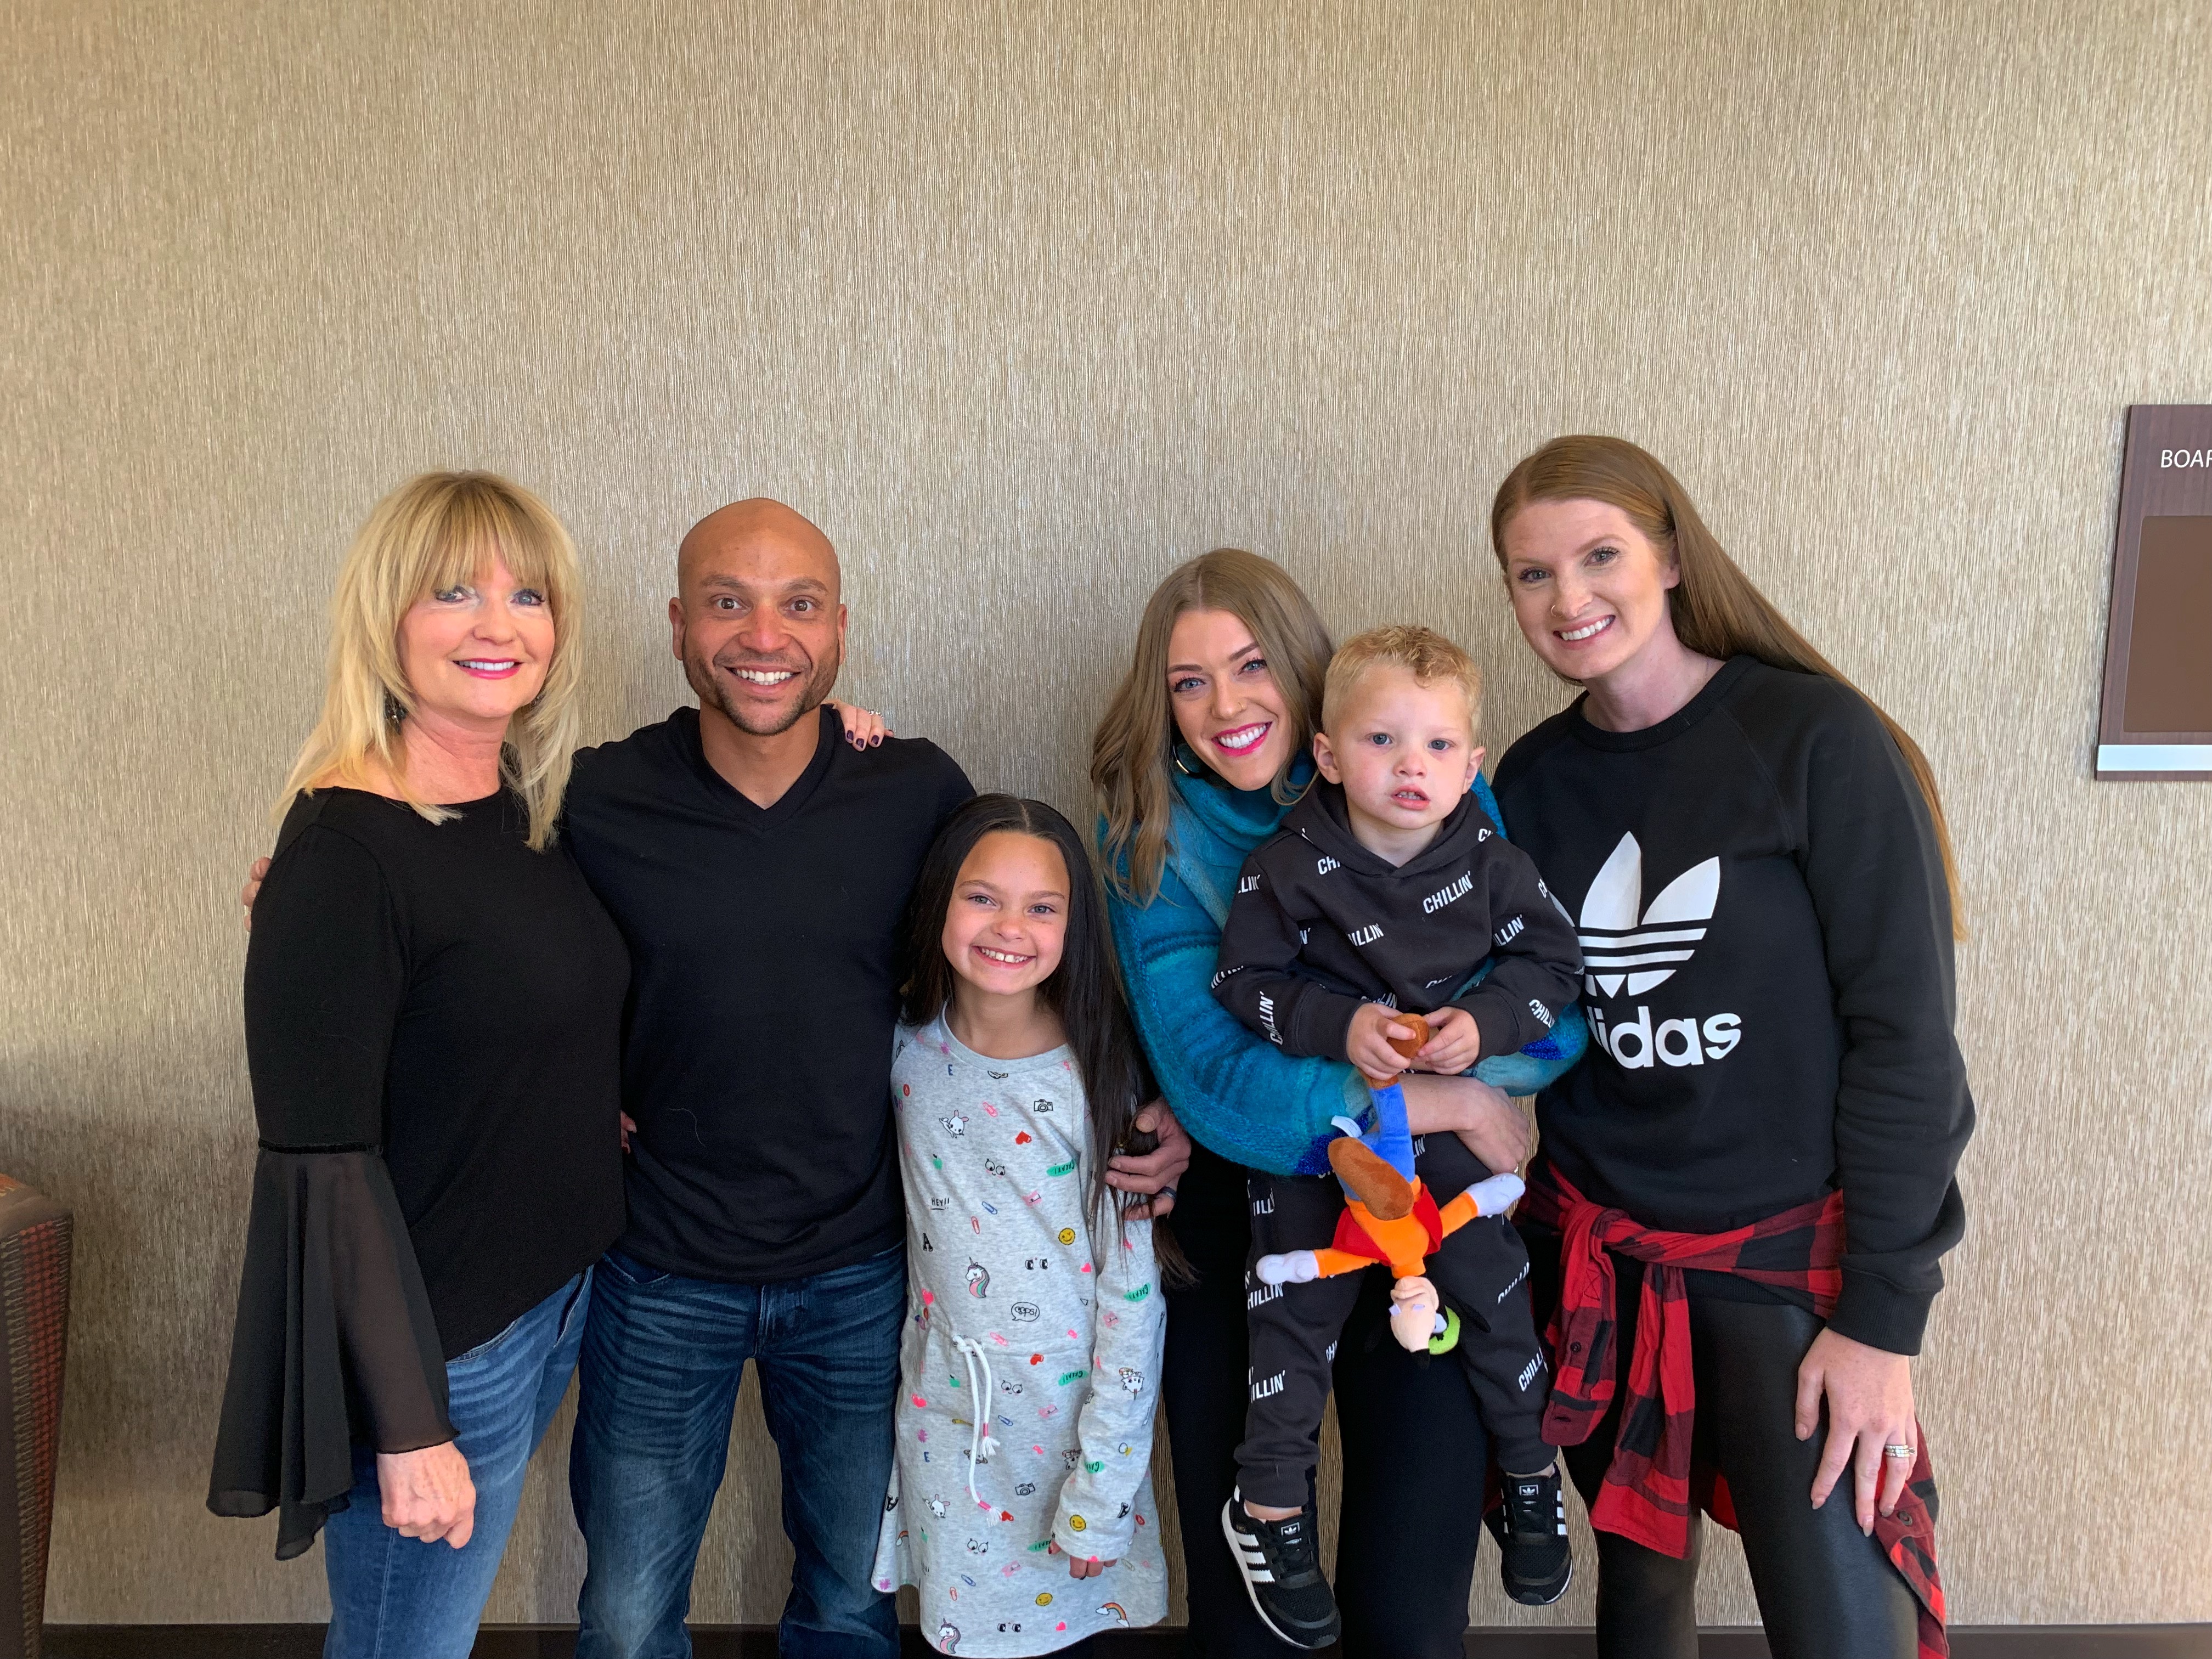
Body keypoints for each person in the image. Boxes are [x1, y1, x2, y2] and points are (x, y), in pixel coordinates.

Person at [553, 500, 1191, 1659]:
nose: (765, 635)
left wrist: (1142, 1099)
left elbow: (1017, 948)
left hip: (863, 1276)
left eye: (798, 605)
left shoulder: (912, 788)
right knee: (628, 1611)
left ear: (839, 630)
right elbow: (494, 932)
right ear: (679, 625)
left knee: (852, 1600)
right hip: (660, 1267)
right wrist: (322, 876)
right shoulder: (598, 795)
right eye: (728, 603)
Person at [1487, 436, 1969, 1659]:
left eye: (1600, 556)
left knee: (1844, 1630)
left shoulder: (1814, 738)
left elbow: (1908, 1044)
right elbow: (1486, 998)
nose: (1568, 597)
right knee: (1643, 1602)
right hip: (1599, 1252)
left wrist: (1883, 1322)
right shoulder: (1529, 782)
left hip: (1789, 1273)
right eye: (1533, 574)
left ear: (1670, 557)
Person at [1090, 550, 1587, 1659]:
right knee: (1253, 1632)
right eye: (1188, 682)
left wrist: (1465, 1076)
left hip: (1428, 1217)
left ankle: (1529, 1476)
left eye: (1252, 666)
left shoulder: (1419, 769)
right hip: (1253, 1212)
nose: (1226, 705)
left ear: (1304, 677)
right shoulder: (1150, 839)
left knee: (1412, 1613)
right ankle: (1266, 1525)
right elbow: (1214, 1081)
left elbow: (1553, 1022)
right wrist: (1442, 1100)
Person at [207, 471, 630, 1659]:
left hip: (549, 1301)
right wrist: (407, 1426)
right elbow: (321, 1164)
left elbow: (504, 1020)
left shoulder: (514, 804)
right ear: (386, 618)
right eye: (454, 593)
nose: (499, 625)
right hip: (443, 1354)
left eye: (528, 596)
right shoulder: (345, 851)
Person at [1209, 625, 1581, 1644]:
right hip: (1326, 1137)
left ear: (1471, 763)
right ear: (1328, 756)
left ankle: (1530, 1472)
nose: (1411, 766)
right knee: (1293, 1308)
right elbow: (1241, 983)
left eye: (1437, 745)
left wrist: (1486, 1025)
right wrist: (1340, 1026)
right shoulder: (1285, 867)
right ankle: (1269, 1503)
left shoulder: (1495, 865)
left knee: (1496, 1292)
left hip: (1447, 1126)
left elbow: (1556, 970)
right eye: (1381, 741)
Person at [869, 795, 1171, 1656]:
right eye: (982, 898)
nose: (1010, 928)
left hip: (1070, 1435)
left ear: (1074, 927)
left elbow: (1133, 1302)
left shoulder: (1098, 1077)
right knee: (960, 1637)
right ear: (939, 901)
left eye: (1043, 907)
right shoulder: (903, 1049)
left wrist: (1102, 1493)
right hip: (943, 1418)